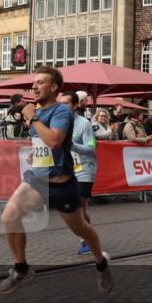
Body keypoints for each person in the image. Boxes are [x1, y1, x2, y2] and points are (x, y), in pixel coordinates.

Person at [0, 67, 113, 295]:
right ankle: (22, 269)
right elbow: (44, 144)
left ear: (54, 87)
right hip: (38, 179)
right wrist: (36, 153)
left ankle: (102, 263)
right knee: (9, 217)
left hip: (61, 184)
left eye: (40, 82)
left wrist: (33, 118)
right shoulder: (38, 111)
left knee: (81, 229)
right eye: (33, 82)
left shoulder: (61, 111)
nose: (34, 86)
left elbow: (55, 141)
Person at [61, 92, 98, 256]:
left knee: (80, 208)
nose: (62, 107)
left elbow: (91, 148)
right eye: (60, 103)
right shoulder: (58, 123)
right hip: (68, 170)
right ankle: (89, 236)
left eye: (66, 103)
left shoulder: (84, 124)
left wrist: (71, 145)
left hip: (85, 169)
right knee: (74, 211)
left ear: (75, 106)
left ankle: (86, 241)